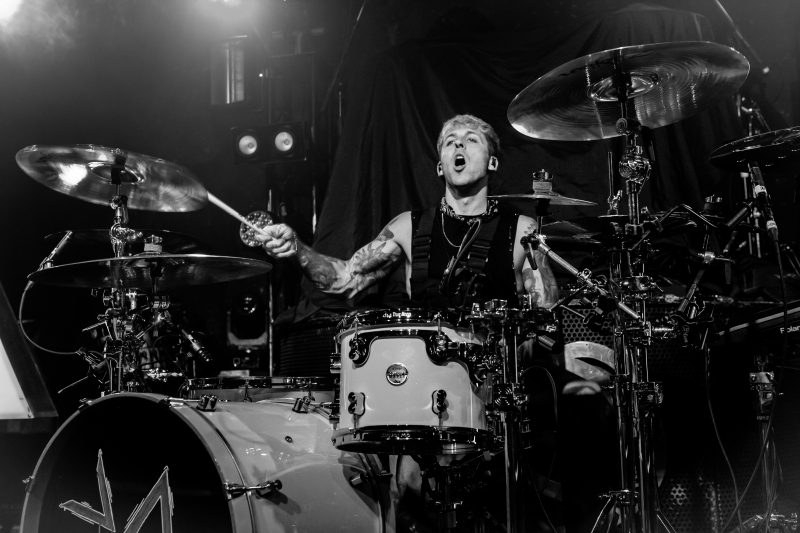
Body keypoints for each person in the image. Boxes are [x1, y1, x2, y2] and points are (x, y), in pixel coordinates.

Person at [257, 114, 606, 532]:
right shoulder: (408, 227)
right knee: (410, 502)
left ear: (492, 162)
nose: (459, 145)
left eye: (471, 140)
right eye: (449, 141)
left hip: (497, 388)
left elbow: (544, 318)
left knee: (579, 409)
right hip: (421, 393)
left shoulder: (522, 231)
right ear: (440, 165)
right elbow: (344, 280)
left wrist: (511, 350)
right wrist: (297, 248)